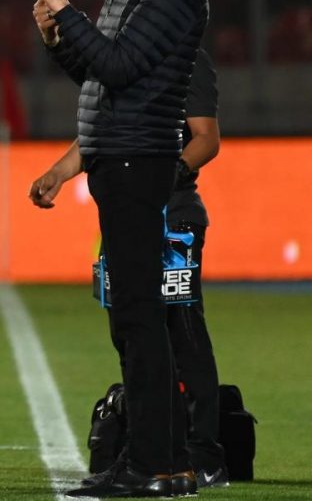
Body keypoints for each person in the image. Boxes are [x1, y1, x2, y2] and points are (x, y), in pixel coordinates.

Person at [30, 0, 208, 496]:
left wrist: (66, 8)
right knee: (134, 319)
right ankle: (164, 457)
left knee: (139, 318)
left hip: (139, 159)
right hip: (120, 156)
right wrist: (57, 36)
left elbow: (122, 66)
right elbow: (98, 72)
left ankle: (150, 465)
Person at [30, 49, 226, 490]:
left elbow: (206, 138)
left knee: (181, 330)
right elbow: (104, 134)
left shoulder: (187, 61)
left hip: (172, 217)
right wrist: (59, 172)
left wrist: (161, 177)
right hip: (128, 215)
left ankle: (203, 453)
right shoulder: (131, 64)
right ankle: (160, 448)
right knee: (137, 331)